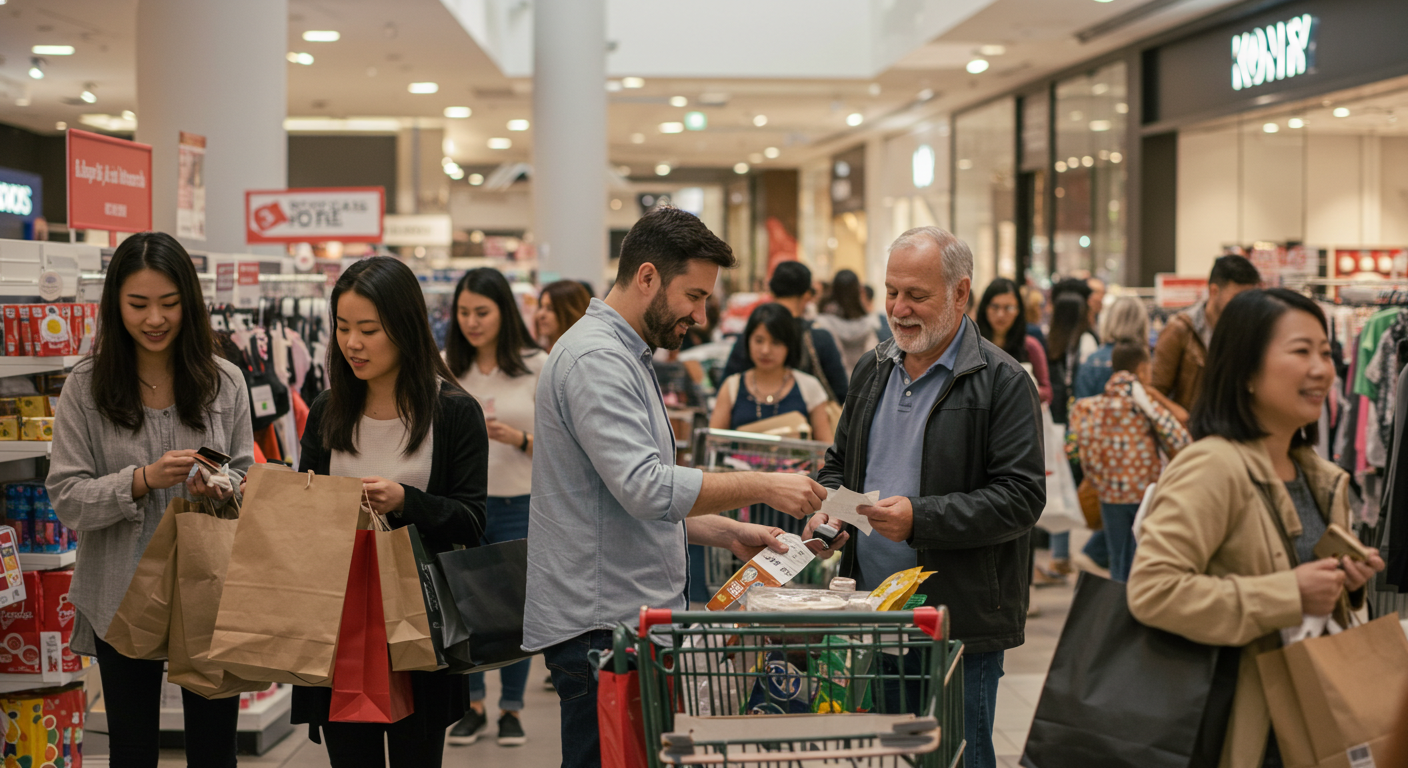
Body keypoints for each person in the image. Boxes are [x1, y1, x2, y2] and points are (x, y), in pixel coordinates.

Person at [525, 207, 841, 768]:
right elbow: (646, 489)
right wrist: (765, 484)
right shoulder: (598, 359)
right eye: (693, 296)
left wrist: (728, 531)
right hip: (603, 630)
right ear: (647, 277)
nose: (700, 314)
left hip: (622, 621)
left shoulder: (625, 353)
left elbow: (622, 500)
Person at [805, 226, 1045, 768]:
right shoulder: (873, 369)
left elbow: (1021, 498)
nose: (899, 308)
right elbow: (841, 464)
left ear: (961, 293)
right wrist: (833, 515)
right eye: (892, 292)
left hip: (956, 623)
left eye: (917, 295)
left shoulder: (1003, 383)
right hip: (872, 612)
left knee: (958, 756)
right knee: (890, 756)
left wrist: (921, 519)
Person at [1128, 288, 1385, 768]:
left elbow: (1306, 590)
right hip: (1233, 725)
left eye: (1326, 353)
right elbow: (1153, 590)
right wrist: (1290, 593)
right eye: (1301, 351)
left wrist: (1344, 587)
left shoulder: (1318, 476)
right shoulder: (1212, 467)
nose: (1322, 369)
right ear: (1245, 370)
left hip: (1305, 717)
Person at [48, 231, 253, 768]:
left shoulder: (224, 381)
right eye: (138, 304)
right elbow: (67, 497)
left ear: (190, 301)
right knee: (133, 751)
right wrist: (140, 480)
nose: (155, 319)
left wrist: (223, 485)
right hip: (119, 591)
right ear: (116, 304)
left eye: (169, 303)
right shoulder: (86, 387)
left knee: (214, 750)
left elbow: (247, 478)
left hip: (208, 587)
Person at [293, 256, 489, 768]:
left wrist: (405, 500)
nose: (352, 343)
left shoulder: (453, 412)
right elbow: (303, 515)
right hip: (339, 623)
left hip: (420, 623)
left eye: (368, 330)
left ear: (403, 327)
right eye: (342, 328)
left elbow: (472, 520)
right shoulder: (327, 410)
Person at [442, 268, 542, 748]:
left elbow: (562, 449)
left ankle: (512, 709)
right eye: (463, 312)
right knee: (464, 605)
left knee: (513, 609)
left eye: (482, 312)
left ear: (505, 311)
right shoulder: (445, 367)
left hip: (519, 502)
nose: (471, 322)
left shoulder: (536, 365)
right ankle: (473, 704)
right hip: (464, 504)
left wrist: (517, 437)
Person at [1067, 341, 1191, 581]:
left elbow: (1079, 449)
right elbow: (1180, 439)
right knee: (1144, 561)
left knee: (1117, 561)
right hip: (1144, 492)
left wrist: (1098, 481)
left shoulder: (1092, 407)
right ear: (1144, 369)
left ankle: (1117, 611)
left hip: (1109, 494)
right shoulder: (1145, 405)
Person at [721, 260, 850, 401]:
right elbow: (841, 392)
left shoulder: (754, 334)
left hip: (752, 418)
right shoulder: (819, 338)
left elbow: (726, 389)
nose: (766, 349)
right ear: (807, 294)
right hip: (807, 421)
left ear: (771, 291)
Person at [1152, 254, 1260, 412]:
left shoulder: (1247, 332)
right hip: (1189, 432)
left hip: (1231, 432)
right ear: (1214, 291)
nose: (1245, 306)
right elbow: (1155, 391)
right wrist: (1182, 418)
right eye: (1237, 298)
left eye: (1250, 299)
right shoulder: (1180, 329)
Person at [711, 302, 833, 441]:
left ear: (789, 345)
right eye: (759, 340)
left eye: (776, 342)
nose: (765, 350)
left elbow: (824, 449)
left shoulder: (810, 387)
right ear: (747, 340)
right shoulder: (731, 387)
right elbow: (713, 443)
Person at [976, 277, 1051, 405]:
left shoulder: (1030, 346)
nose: (1001, 314)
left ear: (1019, 310)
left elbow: (1047, 391)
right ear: (985, 308)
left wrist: (1025, 390)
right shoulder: (972, 345)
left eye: (1009, 308)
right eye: (995, 307)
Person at [813, 268, 880, 373]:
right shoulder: (869, 323)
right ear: (858, 290)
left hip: (836, 380)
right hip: (863, 380)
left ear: (833, 288)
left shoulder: (822, 323)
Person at [534, 279, 590, 352]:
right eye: (541, 306)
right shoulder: (542, 352)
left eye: (550, 308)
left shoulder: (582, 354)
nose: (541, 314)